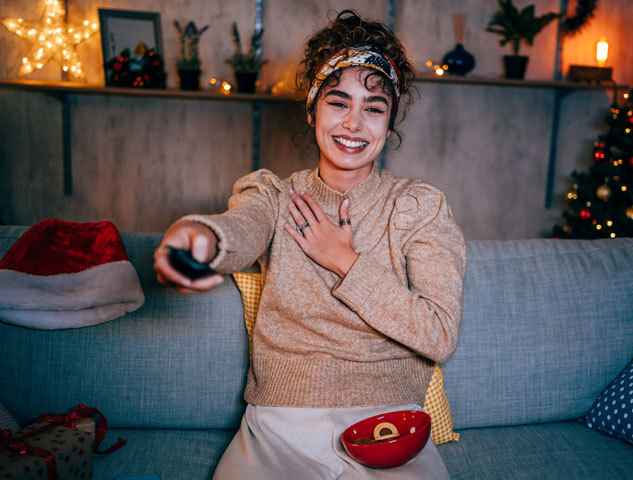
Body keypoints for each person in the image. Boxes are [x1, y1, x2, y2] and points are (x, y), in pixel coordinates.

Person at [153, 10, 466, 479]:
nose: (355, 124)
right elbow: (238, 229)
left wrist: (344, 260)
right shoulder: (273, 196)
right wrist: (200, 237)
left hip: (390, 427)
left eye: (374, 108)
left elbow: (438, 334)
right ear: (313, 109)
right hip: (280, 428)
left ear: (389, 121)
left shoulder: (419, 206)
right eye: (339, 102)